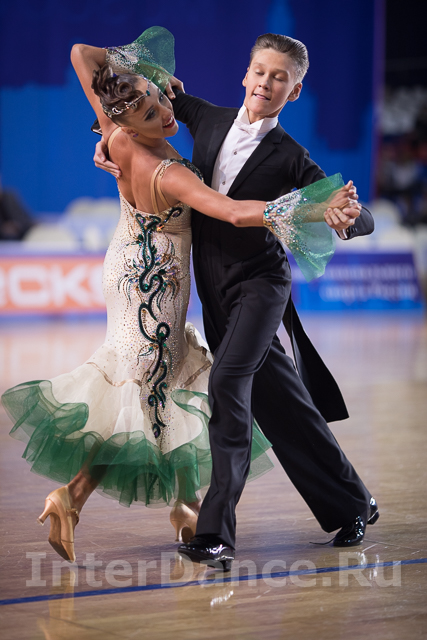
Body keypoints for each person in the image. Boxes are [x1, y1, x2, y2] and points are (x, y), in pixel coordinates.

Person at [1, 29, 354, 565]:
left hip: (198, 273)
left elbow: (82, 56)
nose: (165, 112)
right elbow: (231, 211)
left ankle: (201, 518)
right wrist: (298, 210)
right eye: (150, 112)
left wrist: (144, 77)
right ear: (245, 74)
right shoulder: (173, 158)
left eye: (159, 96)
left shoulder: (128, 123)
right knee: (158, 383)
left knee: (188, 382)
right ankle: (86, 498)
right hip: (161, 282)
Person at [95, 31, 378, 571]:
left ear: (294, 92)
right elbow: (115, 90)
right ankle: (353, 503)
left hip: (261, 286)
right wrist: (107, 136)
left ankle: (216, 533)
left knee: (227, 384)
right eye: (261, 71)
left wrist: (347, 216)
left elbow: (357, 214)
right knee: (280, 402)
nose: (267, 83)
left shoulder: (291, 156)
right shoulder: (205, 117)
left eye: (280, 78)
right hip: (214, 290)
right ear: (246, 75)